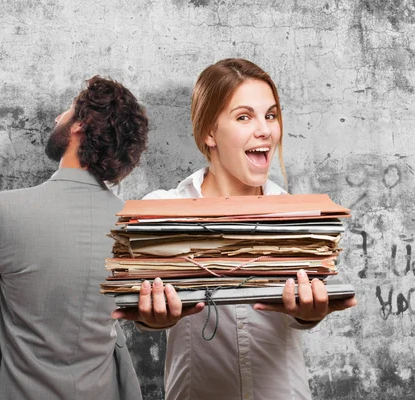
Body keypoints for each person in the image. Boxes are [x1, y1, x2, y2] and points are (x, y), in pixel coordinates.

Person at [114, 59, 357, 400]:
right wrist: (150, 319)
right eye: (244, 117)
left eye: (270, 115)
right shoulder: (163, 212)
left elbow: (310, 303)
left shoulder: (298, 218)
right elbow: (139, 302)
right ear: (209, 132)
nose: (265, 131)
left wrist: (309, 315)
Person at [0, 76, 166, 399]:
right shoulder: (134, 226)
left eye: (67, 112)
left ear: (80, 125)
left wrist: (10, 288)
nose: (58, 118)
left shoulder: (4, 211)